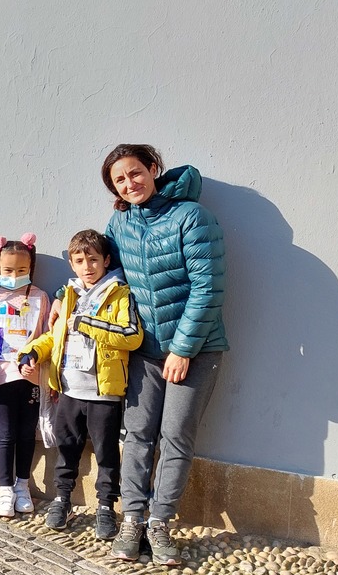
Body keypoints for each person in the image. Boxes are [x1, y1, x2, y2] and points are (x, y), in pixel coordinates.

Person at [101, 144, 227, 566]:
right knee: (137, 434)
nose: (129, 183)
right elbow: (111, 278)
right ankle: (132, 519)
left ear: (153, 169)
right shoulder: (120, 222)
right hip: (144, 350)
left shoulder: (192, 217)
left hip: (197, 349)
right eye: (120, 180)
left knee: (175, 435)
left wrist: (182, 349)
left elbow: (208, 288)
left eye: (135, 172)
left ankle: (159, 522)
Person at [20, 229, 142, 539]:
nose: (87, 266)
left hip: (104, 393)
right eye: (79, 261)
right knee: (67, 449)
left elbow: (131, 336)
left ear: (106, 260)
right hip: (70, 390)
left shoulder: (120, 293)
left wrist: (87, 323)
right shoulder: (69, 294)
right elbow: (56, 336)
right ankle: (62, 500)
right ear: (72, 265)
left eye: (93, 260)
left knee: (106, 455)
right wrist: (31, 352)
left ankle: (105, 507)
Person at [0, 234, 49, 517]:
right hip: (2, 377)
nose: (15, 275)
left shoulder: (40, 298)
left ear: (31, 268)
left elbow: (47, 336)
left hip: (30, 377)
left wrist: (36, 359)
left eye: (21, 270)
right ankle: (5, 488)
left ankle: (22, 485)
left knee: (27, 433)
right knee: (5, 435)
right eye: (8, 270)